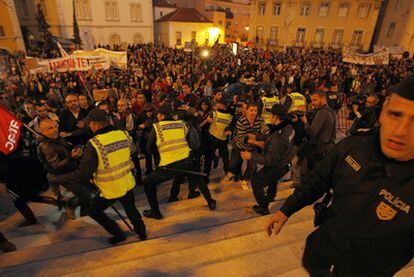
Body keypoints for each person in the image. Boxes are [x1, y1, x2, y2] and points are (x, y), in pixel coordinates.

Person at [266, 75, 414, 276]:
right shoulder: (354, 146)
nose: (400, 131)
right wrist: (286, 210)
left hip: (365, 269)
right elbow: (318, 180)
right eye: (396, 115)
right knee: (312, 257)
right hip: (329, 239)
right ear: (383, 111)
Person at [49, 109, 147, 244]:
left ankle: (118, 234)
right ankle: (142, 233)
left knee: (94, 211)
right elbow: (134, 151)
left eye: (90, 124)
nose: (89, 126)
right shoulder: (123, 134)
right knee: (131, 208)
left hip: (109, 189)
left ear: (97, 125)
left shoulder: (95, 143)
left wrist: (59, 179)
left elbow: (83, 174)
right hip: (126, 181)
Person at [142, 103, 217, 219]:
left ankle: (155, 211)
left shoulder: (157, 127)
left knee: (148, 183)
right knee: (198, 179)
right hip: (186, 159)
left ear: (161, 115)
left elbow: (148, 149)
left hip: (168, 165)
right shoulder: (181, 124)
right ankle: (210, 201)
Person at [241, 104, 295, 215]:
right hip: (285, 163)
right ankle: (271, 196)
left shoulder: (279, 137)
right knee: (272, 178)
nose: (269, 116)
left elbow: (270, 159)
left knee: (256, 181)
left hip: (279, 166)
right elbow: (271, 136)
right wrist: (257, 137)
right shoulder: (288, 127)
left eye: (271, 115)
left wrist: (250, 156)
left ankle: (264, 207)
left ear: (276, 117)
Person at [38, 118, 92, 219]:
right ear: (42, 131)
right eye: (50, 128)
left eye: (55, 126)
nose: (54, 130)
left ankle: (84, 209)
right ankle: (70, 205)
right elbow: (57, 166)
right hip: (60, 175)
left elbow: (66, 150)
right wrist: (71, 157)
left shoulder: (57, 138)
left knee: (87, 189)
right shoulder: (46, 146)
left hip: (69, 170)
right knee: (85, 193)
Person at [223, 102, 269, 184]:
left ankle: (244, 179)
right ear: (246, 111)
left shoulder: (260, 120)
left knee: (253, 166)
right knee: (233, 163)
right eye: (251, 110)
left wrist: (264, 135)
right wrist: (257, 140)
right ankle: (230, 173)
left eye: (255, 111)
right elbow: (242, 138)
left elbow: (265, 130)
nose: (253, 113)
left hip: (252, 147)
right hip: (239, 146)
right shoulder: (241, 121)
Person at [299, 91, 336, 171]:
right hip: (327, 148)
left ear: (323, 99)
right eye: (312, 100)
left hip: (319, 150)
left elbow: (311, 132)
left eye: (315, 100)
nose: (313, 103)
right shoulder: (331, 111)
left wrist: (305, 121)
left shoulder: (322, 112)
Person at [204, 100, 233, 180]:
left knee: (209, 158)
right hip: (222, 140)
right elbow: (230, 126)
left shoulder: (214, 113)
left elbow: (207, 124)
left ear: (221, 105)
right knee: (225, 158)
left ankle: (206, 175)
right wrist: (229, 130)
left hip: (213, 138)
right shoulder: (230, 116)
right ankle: (227, 172)